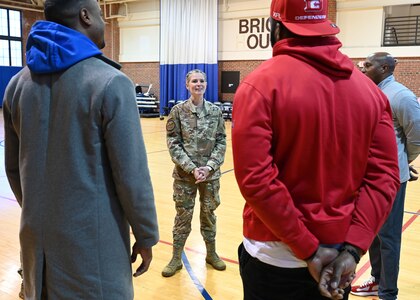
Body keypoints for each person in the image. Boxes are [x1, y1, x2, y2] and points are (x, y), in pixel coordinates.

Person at [231, 0, 400, 299]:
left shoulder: (259, 86)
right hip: (339, 260)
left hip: (276, 257)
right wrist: (353, 248)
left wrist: (308, 249)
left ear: (276, 26)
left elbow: (256, 180)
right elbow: (384, 177)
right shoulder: (370, 93)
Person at [2, 0, 159, 298]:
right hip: (92, 252)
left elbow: (13, 168)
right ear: (85, 16)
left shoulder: (16, 85)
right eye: (99, 14)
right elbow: (132, 176)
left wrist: (44, 213)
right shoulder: (111, 82)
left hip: (37, 247)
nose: (102, 21)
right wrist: (146, 233)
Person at [351, 52, 420, 300]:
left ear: (386, 68)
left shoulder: (402, 96)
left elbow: (416, 138)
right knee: (372, 233)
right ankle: (377, 280)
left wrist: (401, 163)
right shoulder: (368, 91)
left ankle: (388, 293)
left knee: (389, 239)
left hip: (390, 181)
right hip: (366, 177)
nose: (363, 68)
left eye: (368, 65)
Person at [162, 69, 227, 277]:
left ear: (206, 85)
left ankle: (211, 253)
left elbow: (221, 142)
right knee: (183, 216)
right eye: (194, 81)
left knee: (209, 215)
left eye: (202, 81)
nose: (198, 84)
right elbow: (173, 143)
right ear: (187, 85)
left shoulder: (215, 112)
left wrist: (209, 167)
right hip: (185, 176)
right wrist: (191, 168)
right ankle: (176, 257)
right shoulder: (178, 111)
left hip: (210, 175)